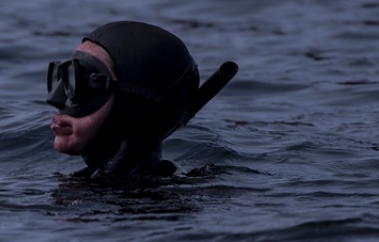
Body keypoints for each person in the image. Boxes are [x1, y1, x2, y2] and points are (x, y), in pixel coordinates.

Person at [46, 21, 237, 179]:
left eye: (80, 83)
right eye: (62, 78)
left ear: (131, 106)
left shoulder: (156, 209)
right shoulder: (83, 184)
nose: (55, 99)